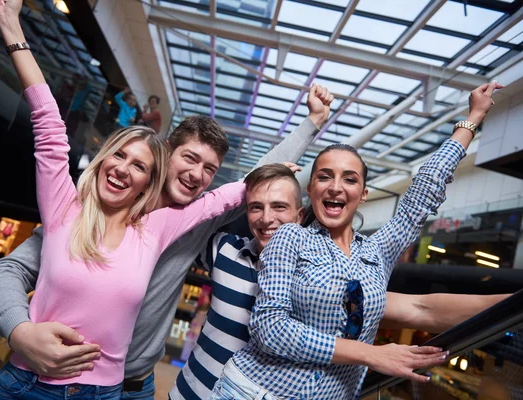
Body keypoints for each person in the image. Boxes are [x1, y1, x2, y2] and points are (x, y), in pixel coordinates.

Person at [0, 63, 333, 400]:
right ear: (165, 152)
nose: (197, 174)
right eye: (190, 159)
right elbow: (7, 271)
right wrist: (19, 331)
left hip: (135, 384)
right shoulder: (93, 210)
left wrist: (312, 122)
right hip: (52, 376)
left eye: (209, 169)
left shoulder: (195, 221)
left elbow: (253, 181)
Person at [0, 1, 248, 398]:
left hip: (103, 393)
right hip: (26, 383)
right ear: (102, 160)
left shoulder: (156, 229)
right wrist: (10, 25)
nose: (124, 168)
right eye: (118, 155)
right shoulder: (64, 210)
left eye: (139, 166)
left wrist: (288, 175)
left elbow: (229, 195)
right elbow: (50, 127)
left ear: (147, 182)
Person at [209, 80, 505, 400]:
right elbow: (270, 330)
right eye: (325, 176)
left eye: (349, 179)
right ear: (311, 191)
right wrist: (369, 354)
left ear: (363, 195)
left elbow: (422, 195)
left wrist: (472, 119)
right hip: (253, 392)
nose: (336, 187)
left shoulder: (377, 252)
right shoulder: (290, 238)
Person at [170, 163, 511, 400]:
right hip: (190, 391)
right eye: (256, 208)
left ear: (299, 216)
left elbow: (423, 306)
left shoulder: (324, 286)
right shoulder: (224, 251)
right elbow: (179, 227)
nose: (267, 218)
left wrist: (511, 305)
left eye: (279, 207)